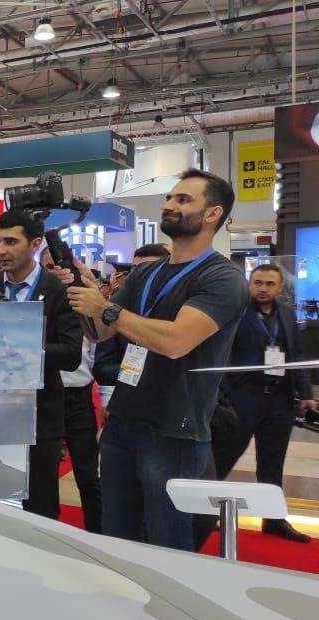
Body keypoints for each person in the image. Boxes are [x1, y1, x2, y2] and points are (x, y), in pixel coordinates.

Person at [67, 168, 248, 551]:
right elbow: (99, 334)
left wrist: (107, 309)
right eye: (169, 197)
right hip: (122, 423)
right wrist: (85, 299)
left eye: (183, 199)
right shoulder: (146, 274)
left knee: (168, 542)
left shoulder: (222, 278)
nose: (169, 205)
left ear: (213, 213)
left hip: (173, 431)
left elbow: (177, 342)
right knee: (117, 536)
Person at [0, 210, 83, 519]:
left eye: (11, 242)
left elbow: (71, 354)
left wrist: (17, 343)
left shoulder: (58, 289)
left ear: (35, 244)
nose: (1, 250)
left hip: (39, 415)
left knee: (40, 509)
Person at [216, 263, 315, 542]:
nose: (263, 288)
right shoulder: (235, 313)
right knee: (224, 455)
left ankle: (273, 519)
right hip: (243, 397)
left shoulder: (287, 314)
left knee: (273, 462)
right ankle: (201, 513)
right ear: (250, 284)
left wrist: (306, 393)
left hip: (279, 400)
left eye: (270, 284)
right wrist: (225, 393)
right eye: (257, 282)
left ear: (280, 287)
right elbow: (219, 353)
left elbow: (295, 356)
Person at [41, 249, 103, 534]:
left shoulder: (84, 301)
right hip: (43, 397)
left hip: (78, 397)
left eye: (60, 266)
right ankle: (48, 534)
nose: (56, 271)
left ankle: (98, 535)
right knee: (45, 476)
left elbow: (99, 346)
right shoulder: (37, 301)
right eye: (48, 267)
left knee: (88, 475)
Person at [92, 244, 170, 411]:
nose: (139, 275)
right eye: (135, 269)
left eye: (147, 268)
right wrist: (139, 373)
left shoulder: (182, 310)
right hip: (128, 405)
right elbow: (102, 368)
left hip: (173, 405)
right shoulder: (117, 309)